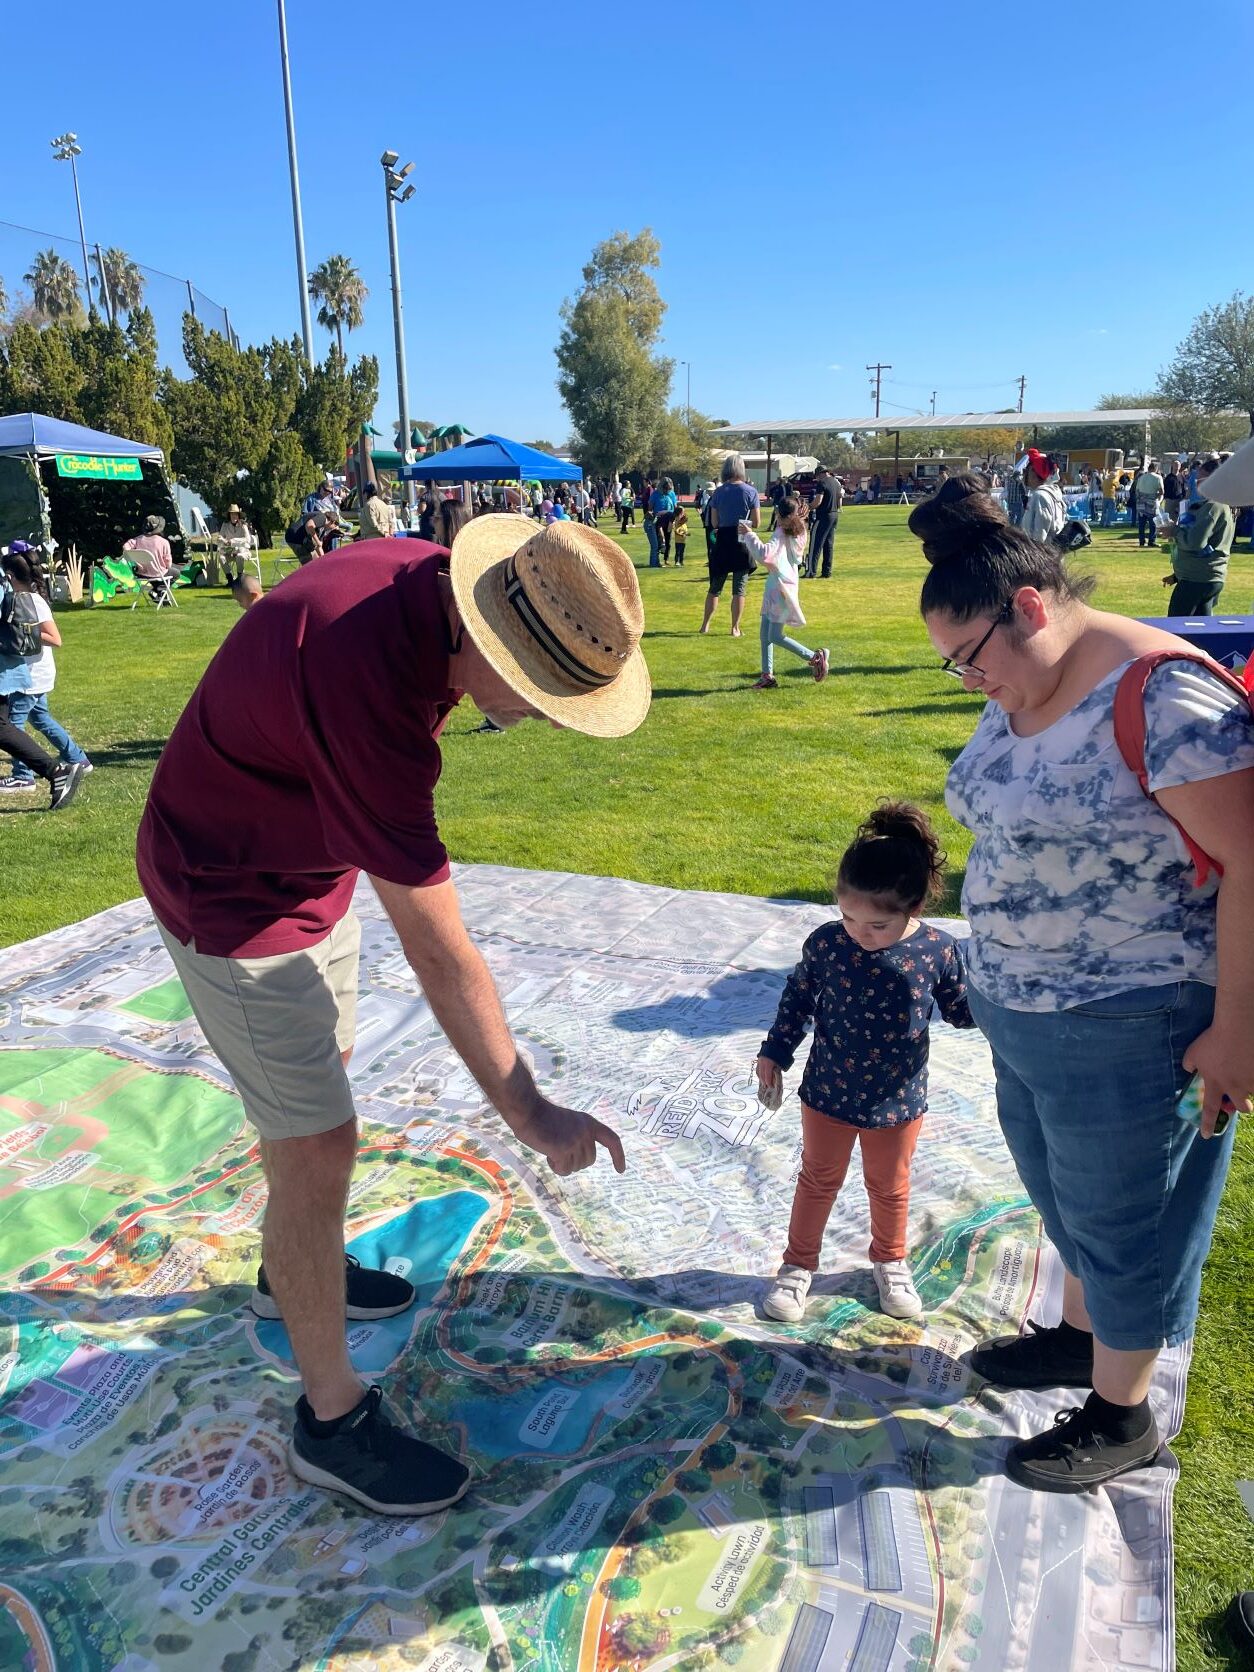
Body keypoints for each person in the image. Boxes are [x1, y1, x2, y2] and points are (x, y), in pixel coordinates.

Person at [135, 517, 648, 1516]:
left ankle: (296, 1276)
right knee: (317, 1141)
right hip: (229, 886)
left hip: (306, 863)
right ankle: (329, 1421)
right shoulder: (370, 680)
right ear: (488, 636)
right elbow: (442, 955)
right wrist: (533, 1114)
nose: (537, 720)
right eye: (539, 701)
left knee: (320, 1082)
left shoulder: (426, 588)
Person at [911, 473, 1254, 1492]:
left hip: (1135, 1019)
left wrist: (1238, 1031)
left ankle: (1123, 1411)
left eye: (969, 658)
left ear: (1028, 608)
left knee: (1128, 1219)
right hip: (1030, 1011)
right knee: (1068, 1198)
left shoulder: (1167, 696)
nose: (967, 680)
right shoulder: (1032, 676)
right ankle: (1076, 1335)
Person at [756, 803, 975, 1324]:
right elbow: (798, 1000)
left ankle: (890, 1261)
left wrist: (1000, 990)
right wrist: (774, 1053)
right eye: (847, 915)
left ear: (915, 908)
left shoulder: (937, 952)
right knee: (818, 1179)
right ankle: (797, 1265)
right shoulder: (828, 944)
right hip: (828, 1092)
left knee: (890, 1184)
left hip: (898, 1100)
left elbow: (962, 1013)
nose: (859, 931)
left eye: (877, 923)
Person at [0, 547, 90, 801]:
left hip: (33, 674)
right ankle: (78, 758)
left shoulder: (31, 601)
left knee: (12, 725)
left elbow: (55, 638)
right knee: (41, 719)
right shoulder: (22, 598)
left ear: (10, 575)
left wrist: (21, 635)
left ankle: (23, 775)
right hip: (35, 674)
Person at [738, 496, 829, 688]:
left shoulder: (781, 533)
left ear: (779, 514)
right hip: (779, 586)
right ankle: (767, 676)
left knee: (774, 636)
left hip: (779, 589)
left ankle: (814, 657)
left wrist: (749, 535)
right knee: (765, 634)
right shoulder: (799, 530)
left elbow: (765, 555)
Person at [1162, 454, 1237, 615]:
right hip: (1205, 577)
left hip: (1197, 579)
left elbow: (1195, 543)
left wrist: (1173, 531)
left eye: (1201, 478)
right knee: (1201, 630)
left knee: (1177, 630)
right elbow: (1209, 546)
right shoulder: (1219, 505)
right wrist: (1176, 576)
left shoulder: (1213, 507)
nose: (1197, 483)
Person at [700, 454, 760, 636]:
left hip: (723, 541)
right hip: (742, 539)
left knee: (715, 587)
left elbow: (714, 522)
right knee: (739, 588)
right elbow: (756, 522)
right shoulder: (751, 491)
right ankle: (735, 627)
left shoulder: (718, 492)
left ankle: (705, 625)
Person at [1018, 450, 1066, 543]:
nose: (1023, 475)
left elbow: (1039, 535)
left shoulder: (1040, 496)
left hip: (1040, 554)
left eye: (1026, 471)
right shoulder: (1052, 493)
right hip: (1050, 553)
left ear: (1033, 473)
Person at [806, 465, 845, 579]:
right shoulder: (836, 482)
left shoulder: (822, 483)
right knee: (828, 544)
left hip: (823, 516)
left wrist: (807, 507)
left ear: (820, 474)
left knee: (815, 544)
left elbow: (818, 501)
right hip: (834, 514)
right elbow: (839, 499)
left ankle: (811, 572)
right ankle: (826, 571)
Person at [124, 514, 175, 590]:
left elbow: (125, 547)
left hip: (141, 573)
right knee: (176, 573)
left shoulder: (138, 540)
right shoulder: (164, 542)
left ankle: (158, 593)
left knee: (158, 575)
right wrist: (168, 567)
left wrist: (137, 563)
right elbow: (168, 561)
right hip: (158, 573)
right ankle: (159, 591)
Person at [217, 504, 255, 584]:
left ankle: (240, 579)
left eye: (235, 514)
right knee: (221, 557)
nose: (234, 516)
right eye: (232, 514)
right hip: (230, 552)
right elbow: (221, 538)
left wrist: (232, 541)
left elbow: (247, 539)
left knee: (239, 556)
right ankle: (230, 579)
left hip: (243, 552)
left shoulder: (243, 525)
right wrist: (222, 541)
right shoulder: (225, 525)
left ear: (238, 515)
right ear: (229, 515)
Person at [1135, 457, 1165, 548]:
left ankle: (1141, 541)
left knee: (1141, 523)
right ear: (1156, 469)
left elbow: (1137, 491)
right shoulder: (1158, 477)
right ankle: (1151, 541)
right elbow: (1162, 491)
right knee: (1153, 523)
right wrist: (1158, 499)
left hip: (1141, 502)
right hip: (1151, 502)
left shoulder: (1141, 477)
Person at [650, 477, 678, 563]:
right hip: (658, 520)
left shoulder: (672, 494)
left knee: (668, 540)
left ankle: (666, 559)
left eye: (669, 489)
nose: (667, 491)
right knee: (660, 539)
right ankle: (657, 559)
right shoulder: (655, 494)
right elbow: (650, 507)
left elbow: (675, 506)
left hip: (669, 520)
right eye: (666, 489)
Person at [1162, 461, 1185, 526]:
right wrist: (1165, 497)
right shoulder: (1168, 477)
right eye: (1175, 465)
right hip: (1170, 500)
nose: (1177, 467)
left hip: (1179, 499)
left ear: (1180, 467)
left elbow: (1183, 487)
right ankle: (1167, 530)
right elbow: (1164, 488)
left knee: (1177, 516)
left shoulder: (1181, 477)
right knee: (1168, 516)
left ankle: (1174, 530)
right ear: (1172, 466)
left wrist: (1184, 497)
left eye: (1178, 465)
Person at [672, 503, 689, 567]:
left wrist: (686, 533)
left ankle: (681, 561)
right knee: (678, 551)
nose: (684, 513)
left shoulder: (683, 521)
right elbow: (677, 529)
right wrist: (681, 514)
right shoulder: (677, 519)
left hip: (683, 540)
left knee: (682, 551)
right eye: (683, 512)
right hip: (678, 540)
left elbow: (684, 523)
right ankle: (677, 561)